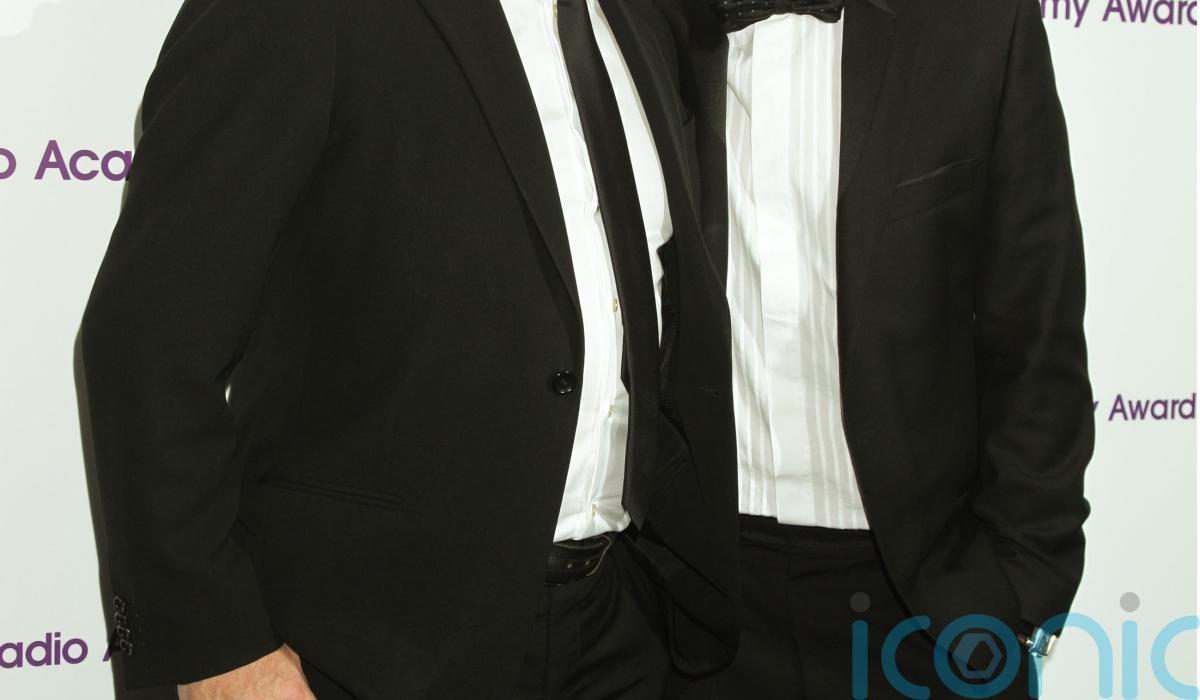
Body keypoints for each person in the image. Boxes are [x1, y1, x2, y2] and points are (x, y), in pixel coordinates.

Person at [78, 0, 739, 697]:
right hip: (365, 642)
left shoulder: (643, 17)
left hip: (619, 623)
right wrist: (221, 653)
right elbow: (147, 341)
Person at [656, 0, 1095, 696]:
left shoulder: (978, 25)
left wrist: (1020, 591)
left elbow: (1037, 331)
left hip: (928, 604)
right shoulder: (650, 22)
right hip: (702, 610)